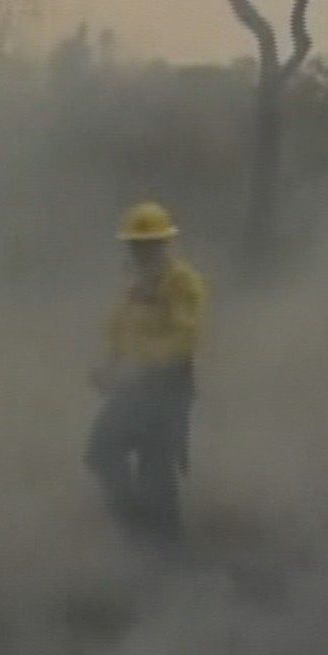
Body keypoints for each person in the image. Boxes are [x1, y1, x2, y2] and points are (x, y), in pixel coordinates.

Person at [86, 200, 206, 548]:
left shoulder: (183, 284)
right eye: (136, 246)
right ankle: (134, 528)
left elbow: (185, 337)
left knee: (156, 472)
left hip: (168, 385)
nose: (141, 253)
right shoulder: (135, 285)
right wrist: (109, 366)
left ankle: (168, 552)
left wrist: (138, 365)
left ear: (165, 245)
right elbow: (119, 330)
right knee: (101, 453)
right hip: (133, 386)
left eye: (149, 245)